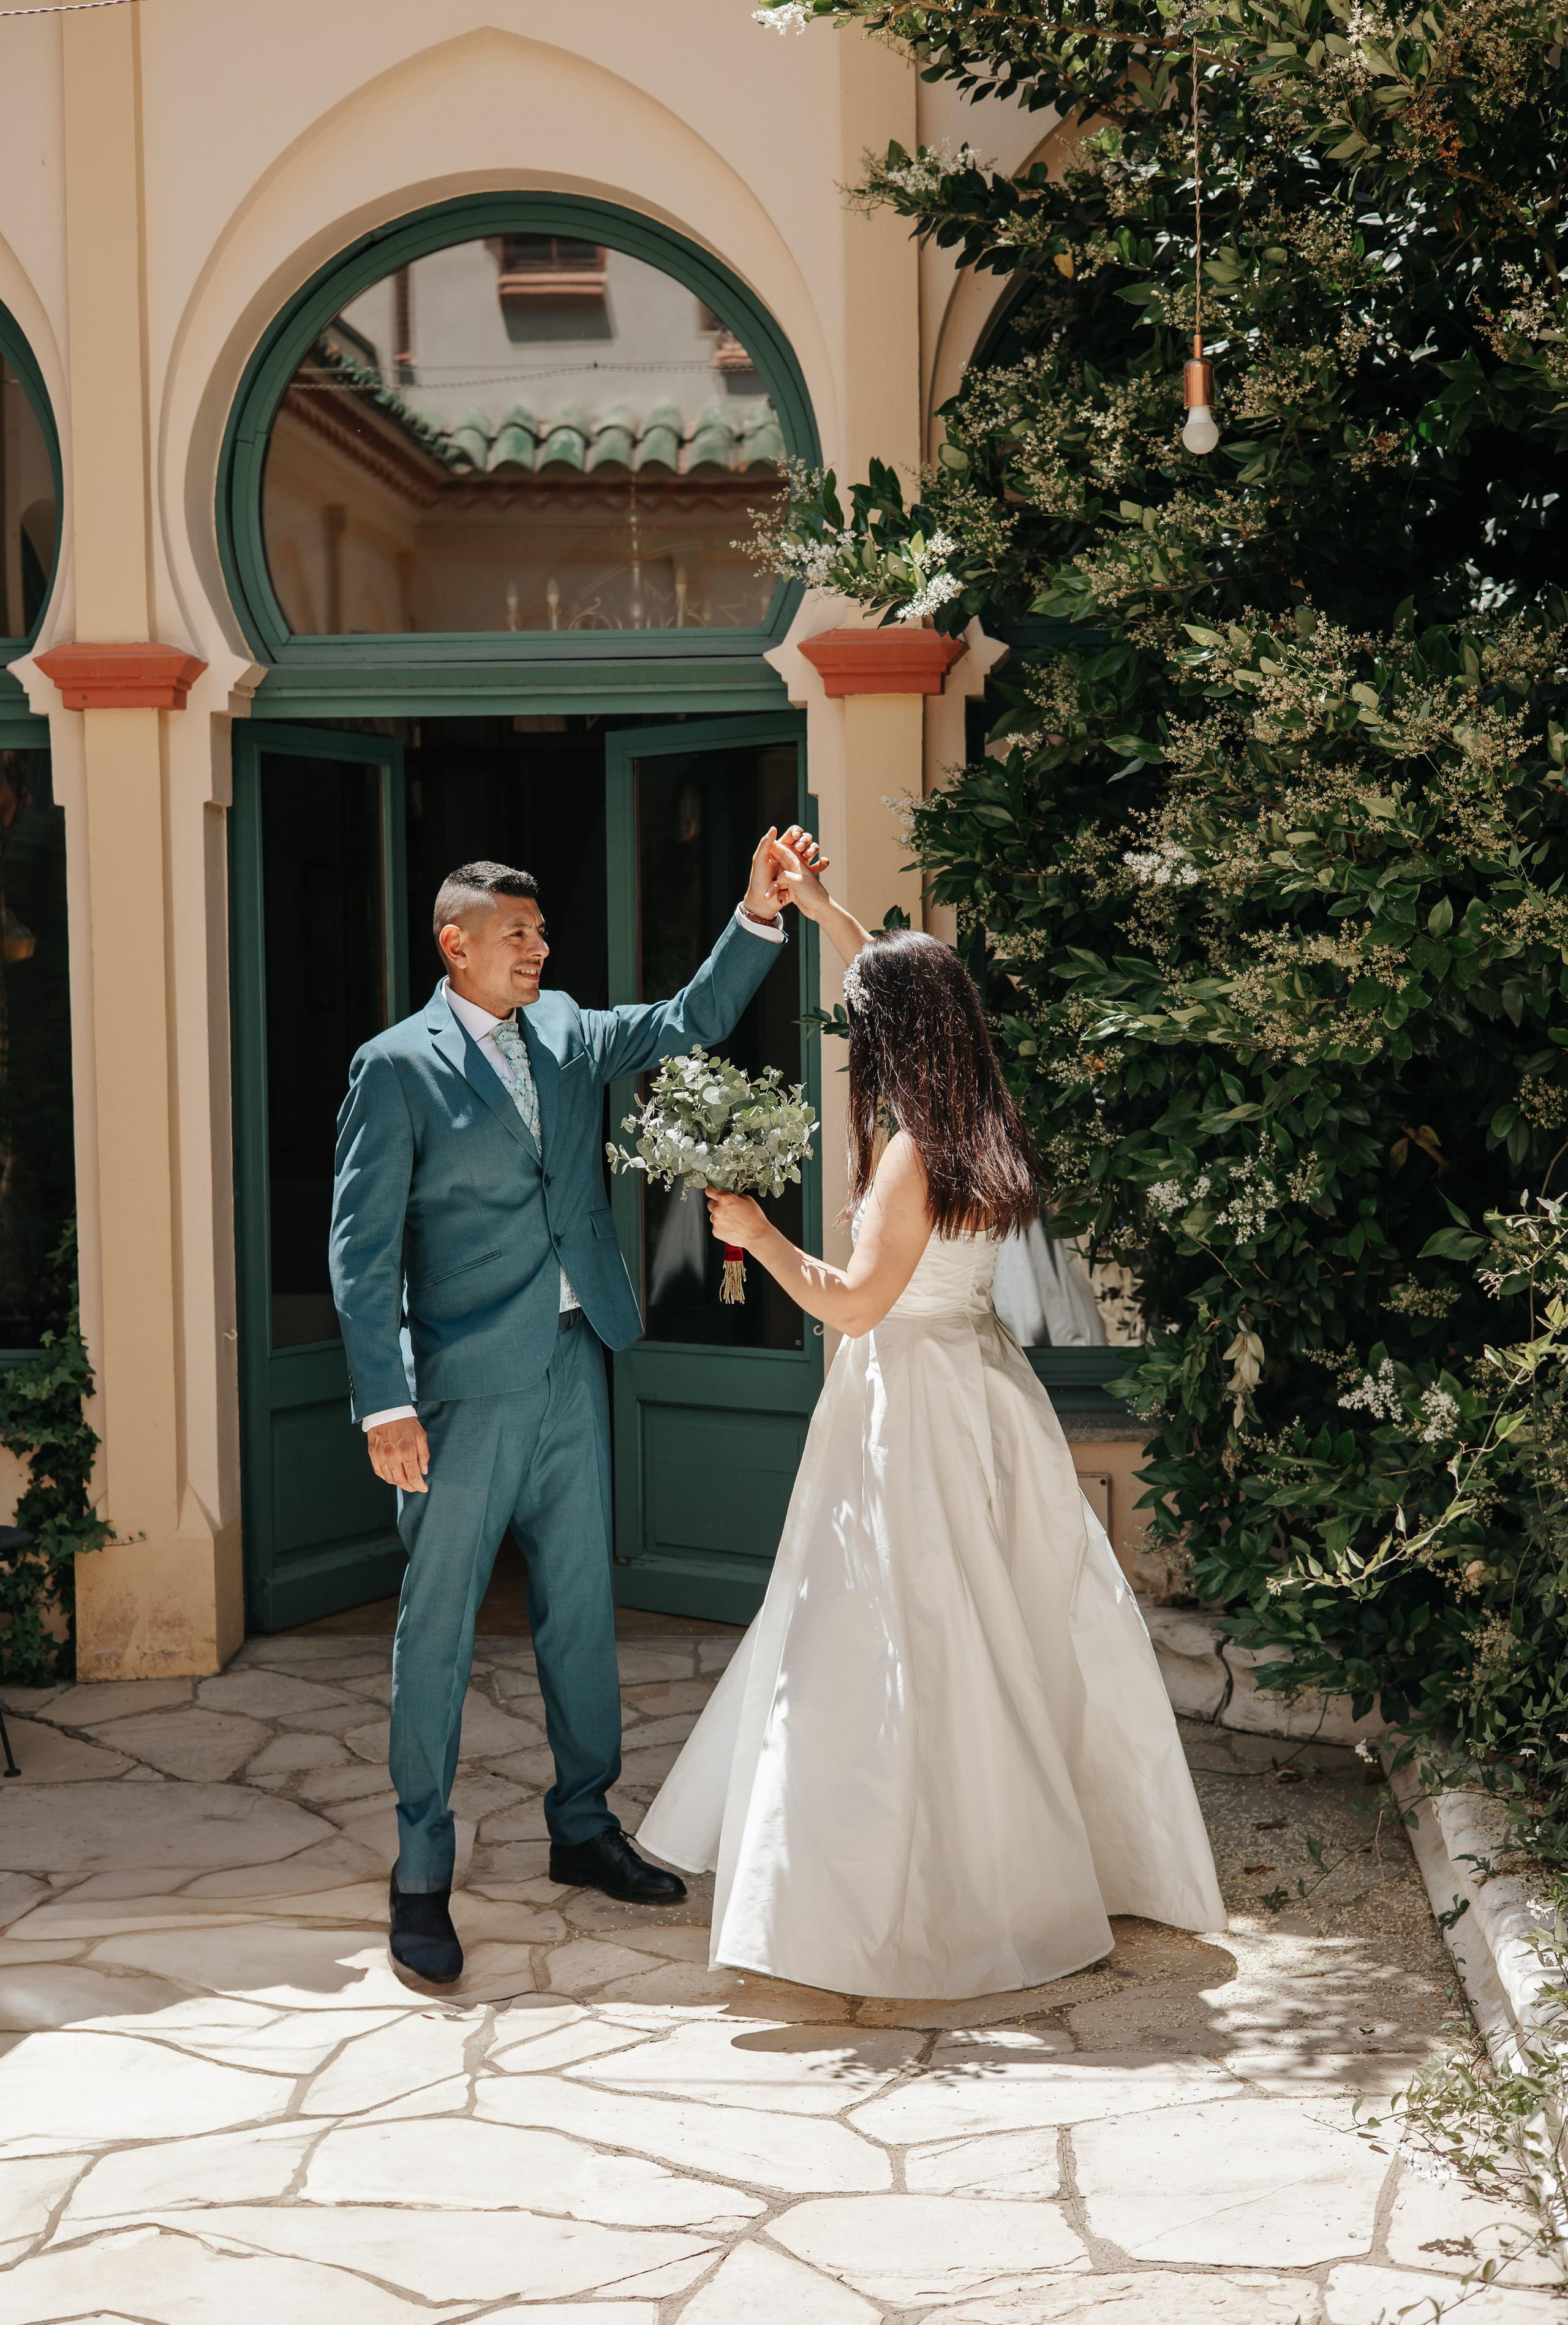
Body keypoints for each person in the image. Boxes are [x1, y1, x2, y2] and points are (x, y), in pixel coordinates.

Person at [637, 861, 1226, 1999]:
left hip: (910, 1401)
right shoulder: (978, 1118)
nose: (856, 1048)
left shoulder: (911, 1154)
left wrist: (757, 1234)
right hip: (981, 1389)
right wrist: (825, 914)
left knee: (899, 1633)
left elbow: (855, 1305)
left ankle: (896, 1886)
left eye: (865, 1031)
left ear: (897, 1041)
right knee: (994, 1619)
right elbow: (893, 977)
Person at [330, 826, 818, 1991]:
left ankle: (583, 1827)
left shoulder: (564, 1030)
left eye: (543, 932)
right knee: (437, 1631)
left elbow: (686, 1021)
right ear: (457, 946)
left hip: (571, 1360)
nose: (539, 949)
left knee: (579, 1610)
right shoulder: (393, 1066)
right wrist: (383, 1403)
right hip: (455, 1388)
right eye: (516, 934)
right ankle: (420, 1870)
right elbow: (359, 1255)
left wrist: (757, 912)